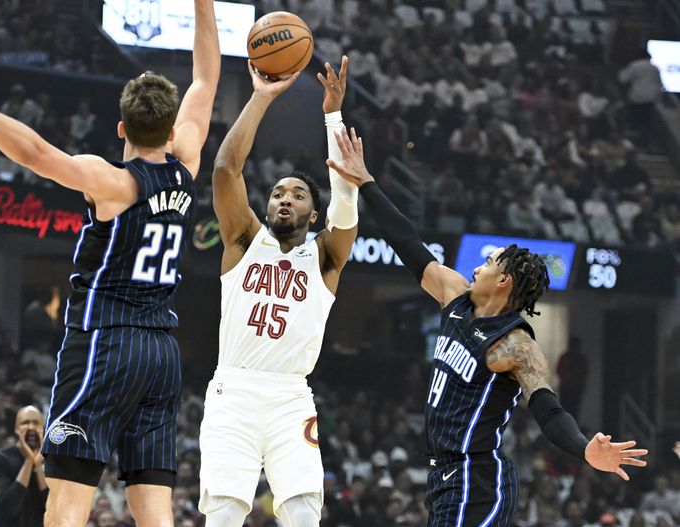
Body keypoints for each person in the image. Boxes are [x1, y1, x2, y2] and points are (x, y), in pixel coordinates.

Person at [0, 0, 219, 525]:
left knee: (66, 503)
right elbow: (206, 77)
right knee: (154, 505)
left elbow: (34, 153)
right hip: (161, 355)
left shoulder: (114, 183)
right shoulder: (186, 165)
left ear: (121, 128)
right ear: (172, 131)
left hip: (106, 343)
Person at [326, 126, 649, 526]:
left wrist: (584, 448)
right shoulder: (455, 296)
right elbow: (407, 243)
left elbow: (548, 409)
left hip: (476, 481)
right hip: (443, 477)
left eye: (488, 263)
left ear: (503, 281)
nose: (476, 267)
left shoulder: (514, 344)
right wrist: (367, 183)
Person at [198, 56, 358, 527]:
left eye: (298, 195)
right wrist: (260, 96)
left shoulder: (325, 257)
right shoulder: (243, 241)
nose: (284, 198)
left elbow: (346, 200)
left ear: (313, 215)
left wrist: (332, 115)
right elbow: (226, 168)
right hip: (234, 389)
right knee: (224, 514)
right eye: (277, 194)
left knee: (305, 513)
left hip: (292, 398)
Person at [0, 406, 47, 527]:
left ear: (43, 428)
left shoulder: (55, 462)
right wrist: (28, 462)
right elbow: (7, 507)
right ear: (17, 428)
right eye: (25, 423)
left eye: (36, 423)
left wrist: (38, 466)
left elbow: (53, 508)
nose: (31, 427)